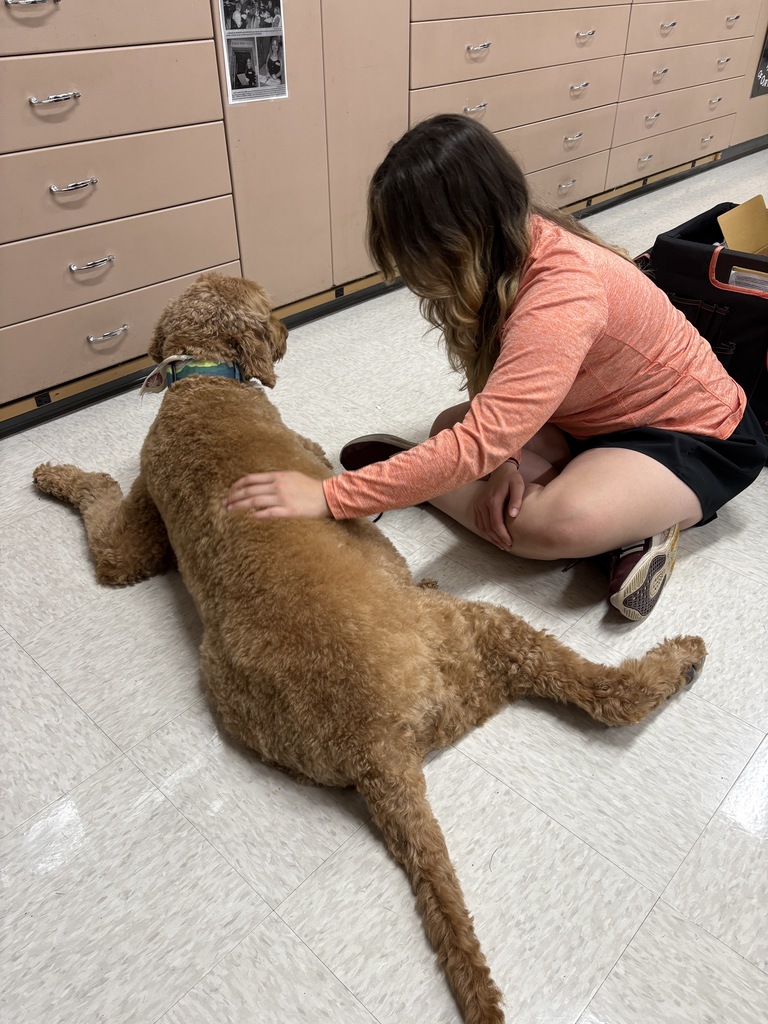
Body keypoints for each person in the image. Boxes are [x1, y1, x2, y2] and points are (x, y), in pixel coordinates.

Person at [224, 114, 767, 620]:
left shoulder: (561, 292)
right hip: (587, 418)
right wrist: (504, 461)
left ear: (456, 237)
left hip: (695, 435)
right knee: (449, 430)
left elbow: (479, 438)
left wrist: (330, 497)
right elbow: (494, 407)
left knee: (540, 526)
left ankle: (640, 525)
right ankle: (604, 511)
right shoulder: (511, 245)